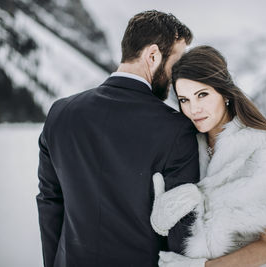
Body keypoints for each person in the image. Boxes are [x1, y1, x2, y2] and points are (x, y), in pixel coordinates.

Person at [36, 10, 199, 267]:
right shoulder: (177, 129)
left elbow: (50, 202)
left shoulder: (60, 114)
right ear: (153, 55)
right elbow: (180, 229)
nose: (176, 76)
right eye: (176, 64)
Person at [150, 46, 266, 267]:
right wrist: (160, 220)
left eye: (202, 95)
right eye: (184, 100)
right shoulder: (185, 147)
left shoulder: (263, 150)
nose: (194, 109)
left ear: (225, 93)